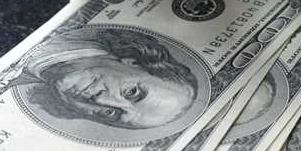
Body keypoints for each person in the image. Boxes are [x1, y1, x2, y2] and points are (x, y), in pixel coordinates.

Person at [24, 27, 201, 131]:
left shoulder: (28, 78)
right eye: (131, 92)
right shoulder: (72, 33)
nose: (101, 99)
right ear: (134, 62)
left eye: (111, 113)